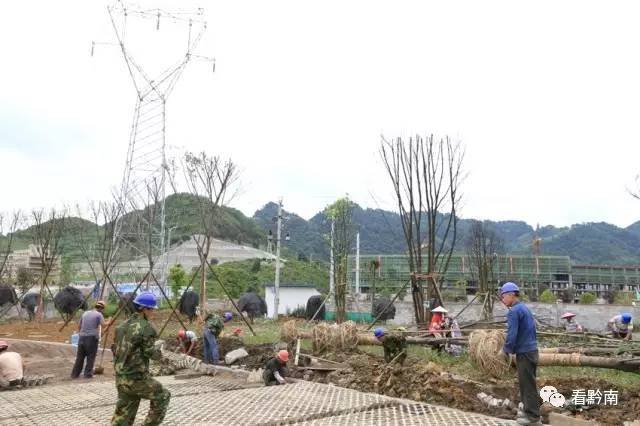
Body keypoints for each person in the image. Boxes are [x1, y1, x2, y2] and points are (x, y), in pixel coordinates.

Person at [111, 292, 171, 426]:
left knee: (123, 414)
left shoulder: (120, 327)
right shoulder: (146, 327)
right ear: (144, 309)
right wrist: (160, 353)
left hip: (121, 378)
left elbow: (115, 350)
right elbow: (150, 352)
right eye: (152, 309)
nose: (153, 312)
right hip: (137, 379)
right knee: (163, 395)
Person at [500, 282, 540, 426]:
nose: (502, 300)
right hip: (532, 351)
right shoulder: (524, 308)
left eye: (503, 296)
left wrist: (505, 350)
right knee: (528, 383)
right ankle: (530, 412)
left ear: (511, 295)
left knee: (527, 385)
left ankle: (533, 418)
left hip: (524, 352)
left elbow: (512, 334)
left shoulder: (514, 312)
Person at [71, 300, 108, 379]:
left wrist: (82, 334)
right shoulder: (99, 314)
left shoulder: (85, 313)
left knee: (80, 357)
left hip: (81, 337)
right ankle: (87, 374)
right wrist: (110, 321)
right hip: (91, 338)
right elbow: (104, 325)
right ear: (102, 308)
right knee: (91, 356)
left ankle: (74, 374)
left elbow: (79, 326)